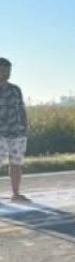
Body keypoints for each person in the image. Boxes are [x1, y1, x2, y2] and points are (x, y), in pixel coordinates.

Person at [0, 57, 31, 203]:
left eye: (8, 69)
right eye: (3, 69)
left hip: (17, 133)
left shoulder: (16, 89)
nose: (6, 72)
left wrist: (25, 128)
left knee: (16, 164)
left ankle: (16, 194)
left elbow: (21, 108)